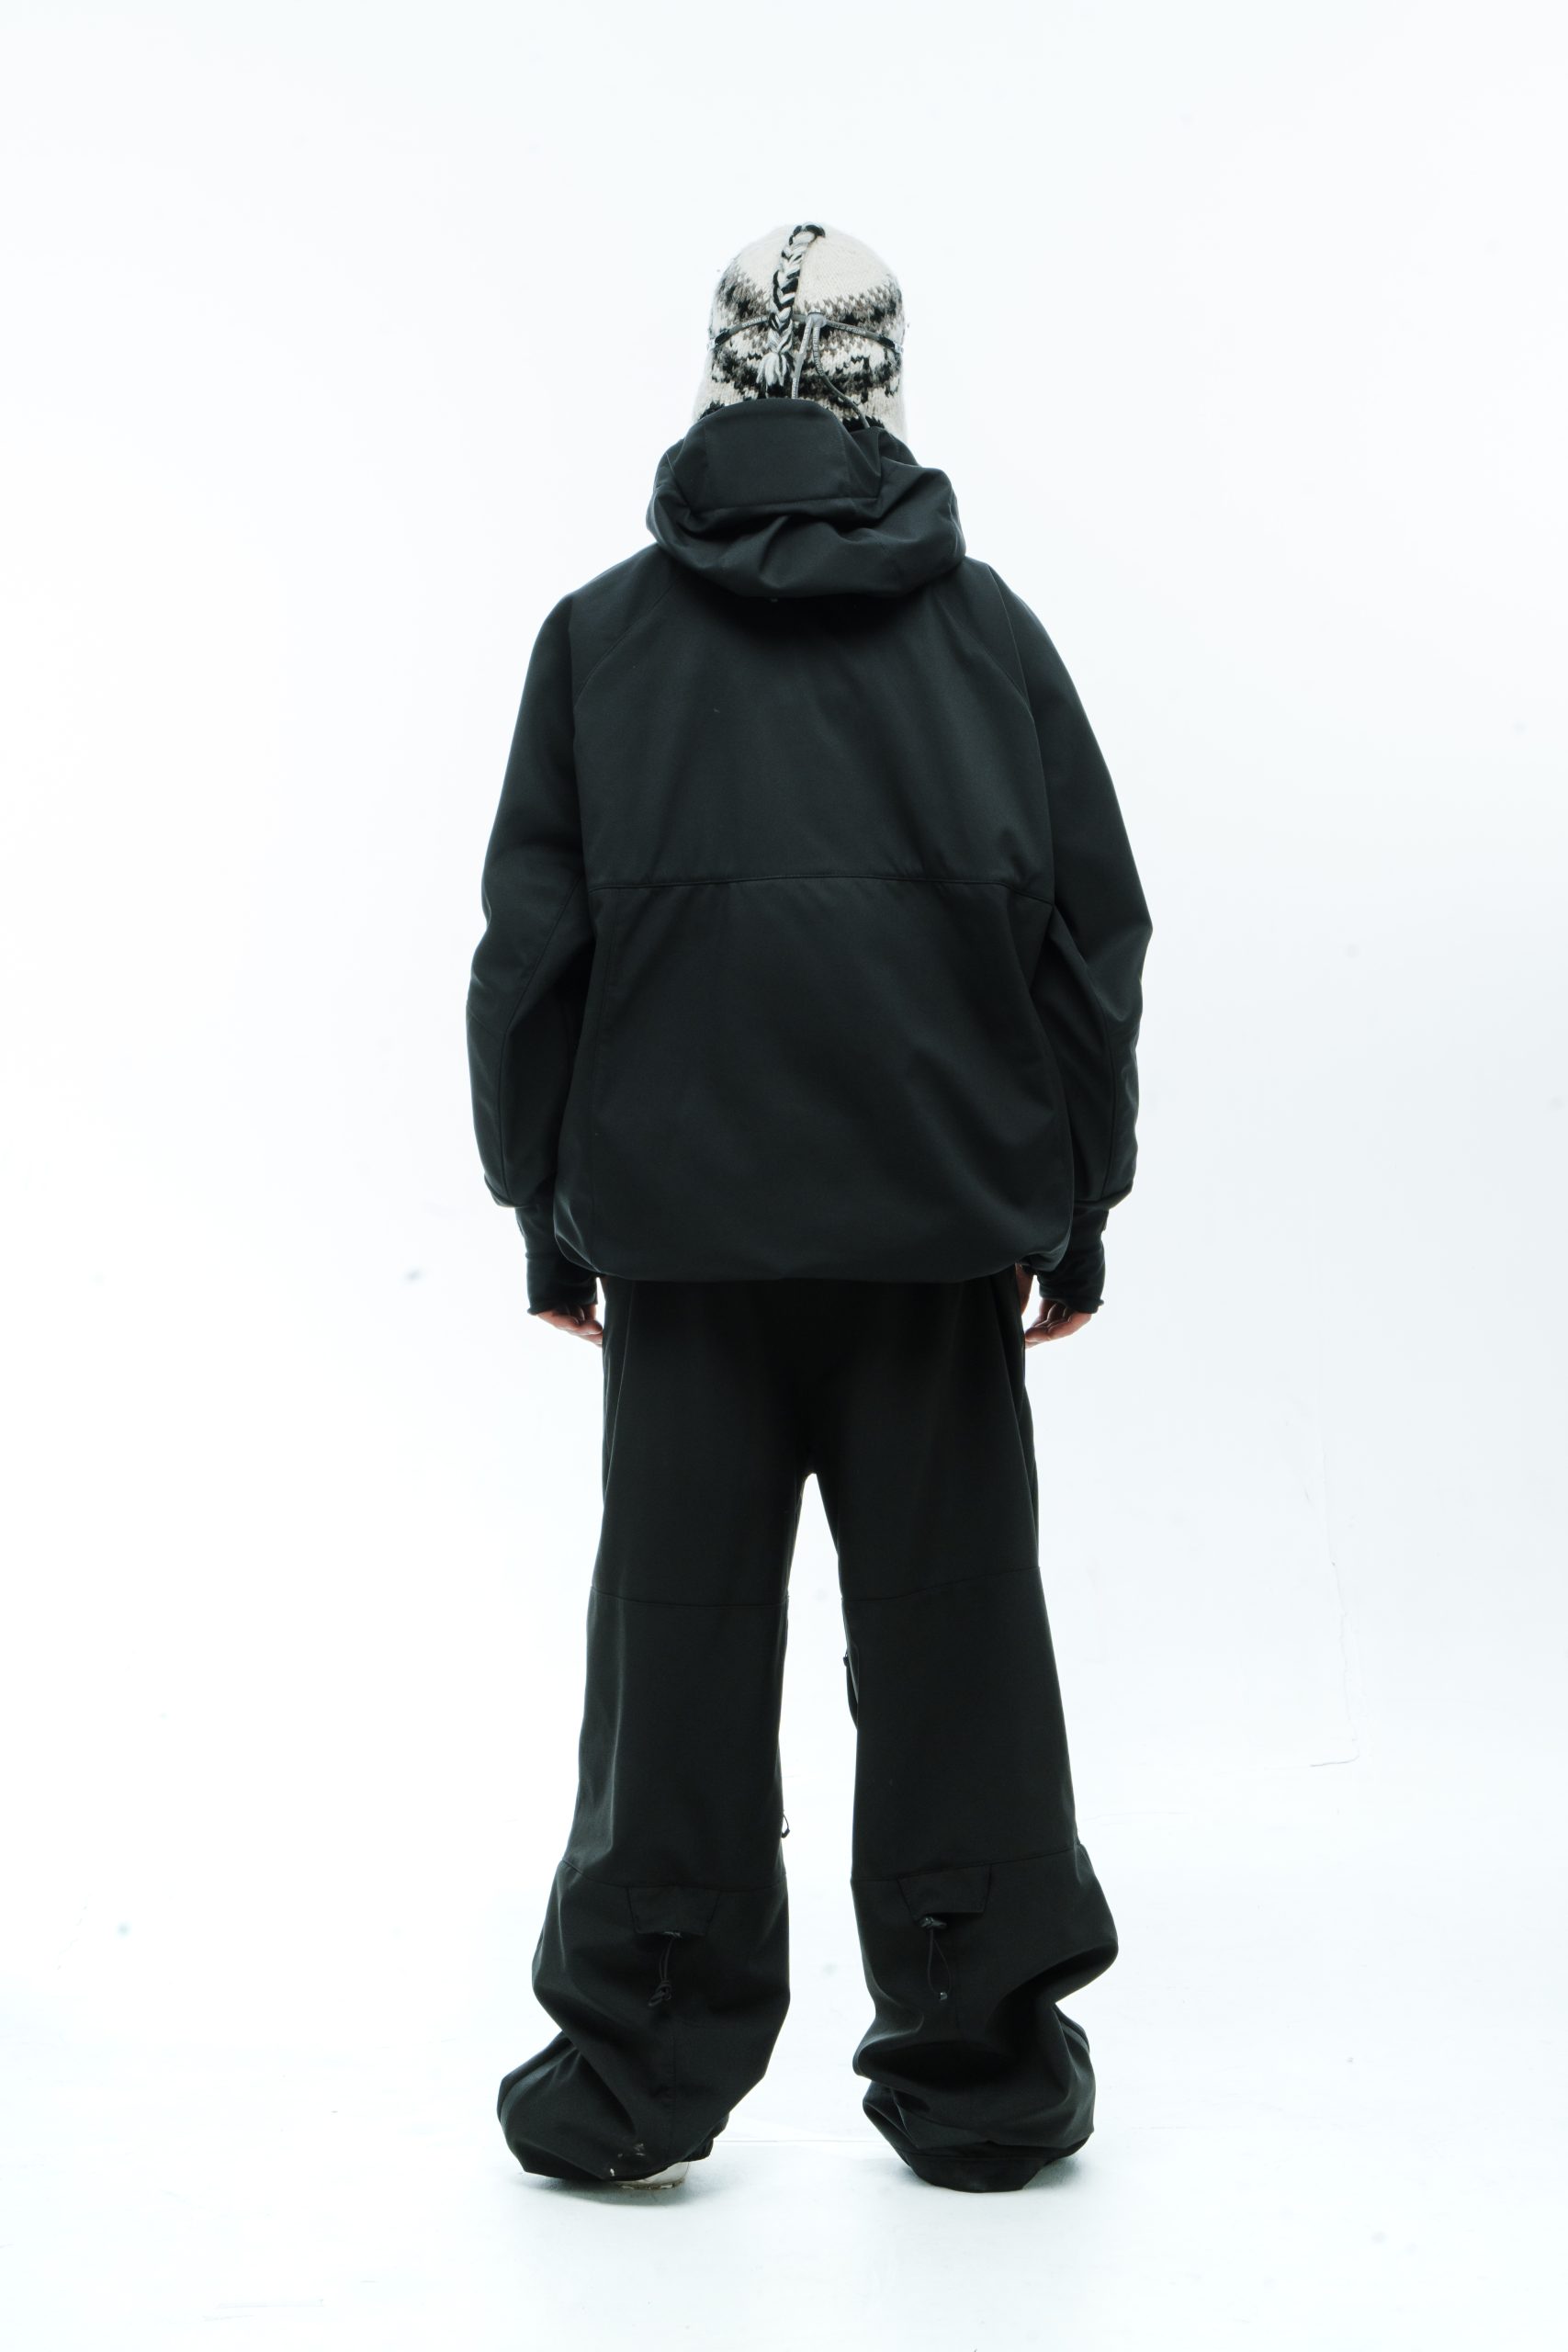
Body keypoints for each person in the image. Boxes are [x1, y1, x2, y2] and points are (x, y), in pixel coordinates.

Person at [466, 220, 1153, 2195]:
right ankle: (982, 2068)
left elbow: (529, 958)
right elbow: (1089, 945)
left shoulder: (598, 640)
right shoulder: (990, 637)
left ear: (714, 380)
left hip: (682, 1243)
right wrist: (1074, 1202)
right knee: (954, 1640)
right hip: (935, 1238)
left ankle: (631, 2071)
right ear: (884, 389)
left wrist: (544, 1207)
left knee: (674, 1645)